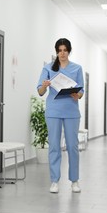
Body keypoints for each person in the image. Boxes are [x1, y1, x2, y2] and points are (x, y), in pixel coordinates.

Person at [37, 38, 84, 194]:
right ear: (56, 51)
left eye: (65, 50)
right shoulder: (48, 68)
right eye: (60, 50)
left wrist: (78, 95)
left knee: (72, 146)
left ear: (69, 51)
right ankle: (54, 181)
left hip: (71, 111)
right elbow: (40, 92)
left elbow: (81, 90)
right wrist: (44, 85)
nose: (62, 53)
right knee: (55, 146)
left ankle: (74, 181)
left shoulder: (77, 68)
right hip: (54, 111)